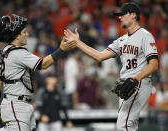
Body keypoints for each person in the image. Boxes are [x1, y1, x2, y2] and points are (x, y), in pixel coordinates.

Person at [64, 2, 159, 131]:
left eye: (122, 15)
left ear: (133, 15)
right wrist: (77, 42)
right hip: (127, 84)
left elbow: (154, 65)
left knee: (123, 125)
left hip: (139, 83)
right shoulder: (121, 40)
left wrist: (135, 78)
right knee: (128, 125)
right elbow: (99, 56)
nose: (119, 18)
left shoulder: (145, 35)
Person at [0, 14, 76, 131]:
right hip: (17, 105)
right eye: (24, 32)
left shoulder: (4, 52)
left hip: (15, 104)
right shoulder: (18, 53)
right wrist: (61, 50)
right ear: (16, 35)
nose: (27, 34)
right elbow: (43, 64)